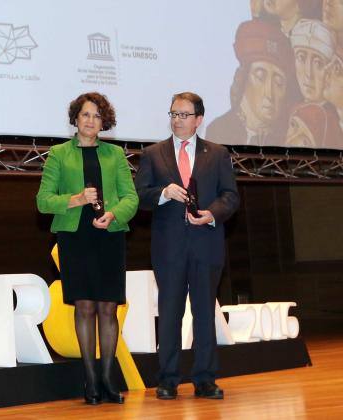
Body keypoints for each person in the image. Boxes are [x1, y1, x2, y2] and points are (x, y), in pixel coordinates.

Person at [134, 92, 239, 400]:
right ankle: (167, 379)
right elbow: (140, 195)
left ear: (199, 119)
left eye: (183, 115)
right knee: (169, 314)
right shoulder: (153, 154)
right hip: (169, 248)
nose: (176, 120)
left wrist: (211, 214)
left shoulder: (217, 153)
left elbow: (230, 196)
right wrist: (164, 192)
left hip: (206, 243)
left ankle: (205, 379)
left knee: (205, 313)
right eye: (173, 114)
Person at [36, 92, 138, 405]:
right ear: (75, 119)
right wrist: (76, 199)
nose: (90, 120)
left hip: (109, 236)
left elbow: (130, 198)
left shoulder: (115, 154)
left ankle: (108, 379)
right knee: (84, 307)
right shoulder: (58, 154)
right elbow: (43, 201)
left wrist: (114, 214)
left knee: (108, 307)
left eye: (96, 115)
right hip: (75, 237)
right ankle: (90, 379)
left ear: (103, 121)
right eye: (85, 115)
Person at [206, 19, 299, 146]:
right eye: (260, 76)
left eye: (278, 83)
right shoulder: (219, 130)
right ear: (244, 78)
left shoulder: (288, 137)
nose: (269, 94)